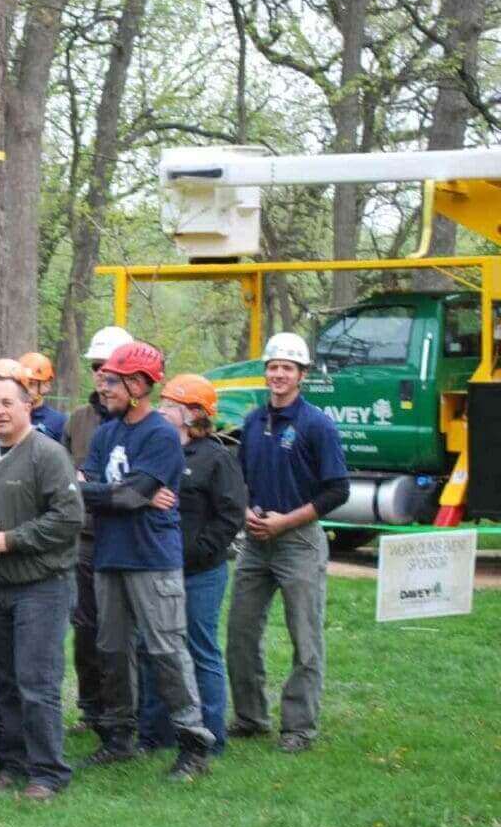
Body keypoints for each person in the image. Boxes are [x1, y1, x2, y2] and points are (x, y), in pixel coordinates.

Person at [77, 341, 214, 781]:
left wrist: (114, 493)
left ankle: (194, 746)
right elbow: (91, 490)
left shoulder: (159, 435)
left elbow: (129, 494)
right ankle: (119, 740)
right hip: (109, 556)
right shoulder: (105, 433)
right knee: (111, 650)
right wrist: (113, 493)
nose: (104, 387)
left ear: (138, 385)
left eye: (113, 381)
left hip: (153, 560)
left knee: (166, 650)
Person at [226, 332, 348, 754]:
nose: (278, 374)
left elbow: (337, 491)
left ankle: (299, 726)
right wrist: (246, 513)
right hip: (256, 541)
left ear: (302, 375)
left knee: (305, 636)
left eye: (287, 368)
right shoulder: (254, 421)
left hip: (298, 541)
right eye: (273, 367)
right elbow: (239, 478)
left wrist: (285, 522)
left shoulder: (317, 425)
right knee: (240, 631)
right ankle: (249, 717)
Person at [0, 377, 84, 798]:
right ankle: (13, 764)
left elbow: (70, 518)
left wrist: (12, 539)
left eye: (7, 403)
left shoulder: (48, 454)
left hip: (42, 585)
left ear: (28, 406)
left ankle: (48, 773)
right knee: (4, 682)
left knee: (37, 681)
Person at [137, 374, 246, 756]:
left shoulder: (216, 458)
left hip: (201, 573)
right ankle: (154, 735)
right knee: (155, 650)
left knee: (201, 651)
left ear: (194, 414)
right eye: (163, 403)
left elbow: (231, 515)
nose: (162, 410)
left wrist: (199, 550)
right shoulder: (158, 451)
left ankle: (211, 735)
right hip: (156, 569)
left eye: (170, 405)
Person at [62, 324, 132, 734]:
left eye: (110, 367)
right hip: (85, 539)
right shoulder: (78, 420)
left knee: (126, 632)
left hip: (127, 538)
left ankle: (127, 710)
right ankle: (92, 710)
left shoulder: (143, 422)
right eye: (96, 367)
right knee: (86, 629)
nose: (102, 374)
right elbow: (68, 476)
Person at [19, 352, 67, 443]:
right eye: (21, 383)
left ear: (46, 386)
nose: (25, 389)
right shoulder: (11, 416)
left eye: (31, 384)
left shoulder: (58, 421)